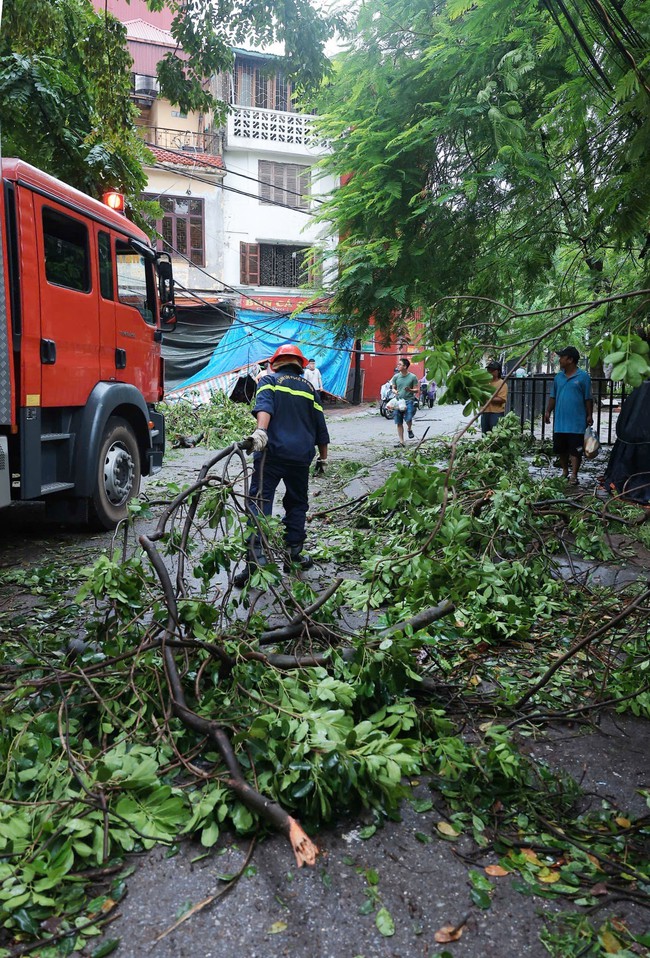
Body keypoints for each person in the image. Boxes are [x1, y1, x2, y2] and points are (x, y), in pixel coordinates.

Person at [234, 343, 330, 588]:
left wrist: (260, 432)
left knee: (259, 503)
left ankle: (257, 563)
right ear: (300, 365)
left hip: (272, 455)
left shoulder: (269, 380)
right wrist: (323, 457)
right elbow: (321, 426)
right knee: (297, 503)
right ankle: (293, 556)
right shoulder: (310, 388)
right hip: (301, 456)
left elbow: (265, 407)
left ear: (274, 363)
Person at [544, 346, 593, 485]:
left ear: (570, 359)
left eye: (562, 357)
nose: (559, 360)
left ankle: (574, 475)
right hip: (560, 421)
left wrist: (589, 415)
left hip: (577, 422)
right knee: (561, 449)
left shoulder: (583, 377)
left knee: (576, 450)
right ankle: (565, 471)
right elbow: (553, 396)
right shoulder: (558, 377)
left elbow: (588, 398)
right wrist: (548, 411)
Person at [391, 357, 419, 446]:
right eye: (398, 364)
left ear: (405, 366)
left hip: (409, 401)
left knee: (408, 418)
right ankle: (401, 442)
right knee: (398, 422)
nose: (398, 366)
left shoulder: (413, 377)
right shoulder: (396, 377)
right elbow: (393, 388)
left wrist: (410, 390)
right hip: (398, 401)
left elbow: (416, 390)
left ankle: (409, 429)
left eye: (400, 364)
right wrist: (395, 391)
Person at [480, 361, 508, 434]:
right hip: (484, 412)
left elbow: (502, 399)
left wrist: (487, 397)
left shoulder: (502, 384)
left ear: (498, 371)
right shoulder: (484, 383)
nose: (490, 372)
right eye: (489, 370)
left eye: (492, 370)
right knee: (485, 435)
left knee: (495, 435)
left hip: (496, 413)